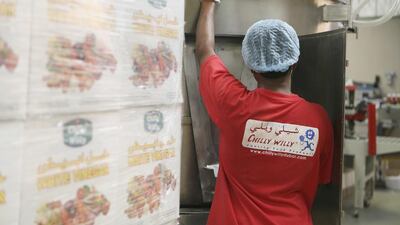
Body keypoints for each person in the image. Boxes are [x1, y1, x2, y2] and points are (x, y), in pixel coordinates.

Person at [195, 1, 334, 225]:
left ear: (252, 68)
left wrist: (208, 3)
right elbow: (322, 179)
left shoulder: (233, 105)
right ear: (295, 62)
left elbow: (204, 51)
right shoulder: (319, 120)